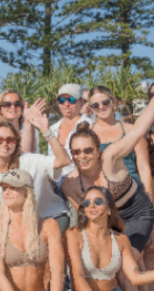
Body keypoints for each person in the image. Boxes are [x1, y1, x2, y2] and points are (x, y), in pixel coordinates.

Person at [50, 97, 154, 256]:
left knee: (131, 256)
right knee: (115, 260)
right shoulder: (70, 184)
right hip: (111, 220)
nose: (82, 156)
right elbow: (90, 218)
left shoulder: (110, 157)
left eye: (88, 150)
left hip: (137, 212)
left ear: (97, 150)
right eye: (76, 152)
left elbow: (138, 130)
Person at [66, 189, 151, 291]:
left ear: (110, 208)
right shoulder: (74, 235)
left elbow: (135, 276)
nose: (91, 205)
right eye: (86, 202)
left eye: (98, 201)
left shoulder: (121, 239)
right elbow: (77, 276)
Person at [0, 114, 67, 224]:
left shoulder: (30, 160)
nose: (5, 143)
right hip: (12, 226)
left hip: (49, 217)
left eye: (10, 140)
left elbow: (63, 160)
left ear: (16, 143)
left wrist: (46, 131)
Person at [0, 87, 38, 156]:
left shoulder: (30, 130)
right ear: (0, 109)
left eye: (17, 104)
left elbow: (30, 155)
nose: (13, 107)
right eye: (7, 105)